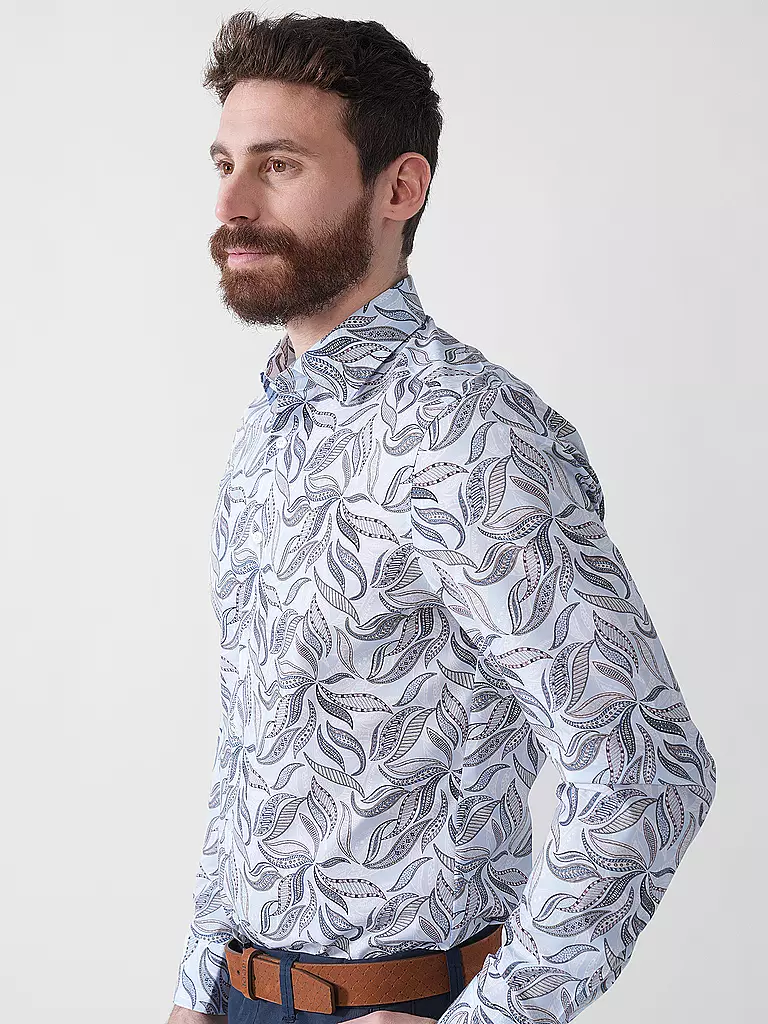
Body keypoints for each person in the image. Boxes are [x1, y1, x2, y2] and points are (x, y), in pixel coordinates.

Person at [168, 11, 717, 1024]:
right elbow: (257, 747)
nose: (230, 204)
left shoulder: (470, 435)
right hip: (238, 999)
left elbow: (644, 765)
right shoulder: (272, 427)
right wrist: (199, 981)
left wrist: (491, 1017)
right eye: (225, 164)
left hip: (406, 1003)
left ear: (400, 188)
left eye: (278, 165)